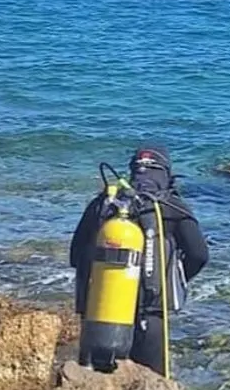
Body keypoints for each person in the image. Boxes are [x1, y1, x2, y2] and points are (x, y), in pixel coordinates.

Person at [69, 145, 208, 376]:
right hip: (150, 314)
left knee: (96, 385)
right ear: (166, 173)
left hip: (101, 315)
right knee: (151, 388)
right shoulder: (171, 206)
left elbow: (76, 255)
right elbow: (199, 255)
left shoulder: (104, 204)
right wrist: (173, 280)